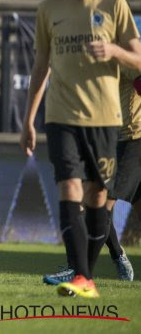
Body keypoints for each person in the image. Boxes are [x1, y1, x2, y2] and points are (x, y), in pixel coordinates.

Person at [20, 0, 141, 298]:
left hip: (106, 120)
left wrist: (114, 50)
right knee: (69, 187)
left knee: (97, 196)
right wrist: (28, 120)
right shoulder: (48, 10)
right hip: (61, 115)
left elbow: (138, 59)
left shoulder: (113, 4)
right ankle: (82, 275)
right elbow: (40, 67)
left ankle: (94, 267)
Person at [43, 68, 138, 284]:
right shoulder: (101, 57)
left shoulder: (126, 53)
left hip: (132, 139)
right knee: (95, 202)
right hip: (110, 136)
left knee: (100, 206)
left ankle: (79, 272)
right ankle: (115, 257)